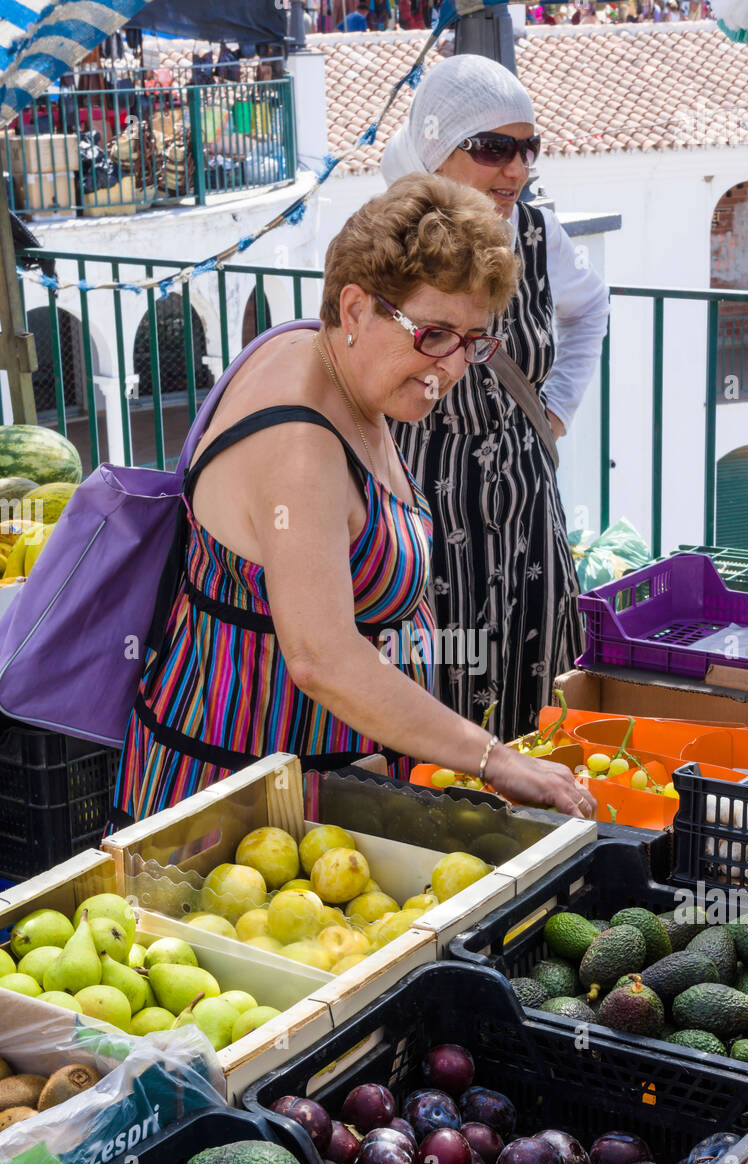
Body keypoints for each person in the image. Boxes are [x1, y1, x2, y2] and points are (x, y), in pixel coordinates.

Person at [109, 176, 594, 830]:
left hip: (312, 795)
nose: (451, 366)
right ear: (357, 307)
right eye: (433, 334)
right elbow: (322, 657)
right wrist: (492, 759)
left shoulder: (324, 356)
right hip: (238, 814)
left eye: (474, 341)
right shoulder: (301, 449)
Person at [380, 56, 609, 745]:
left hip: (525, 502)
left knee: (536, 676)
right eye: (493, 148)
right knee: (436, 685)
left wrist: (558, 409)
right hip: (422, 500)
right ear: (435, 150)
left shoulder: (537, 236)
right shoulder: (389, 244)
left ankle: (536, 829)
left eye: (527, 148)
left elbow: (590, 307)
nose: (516, 169)